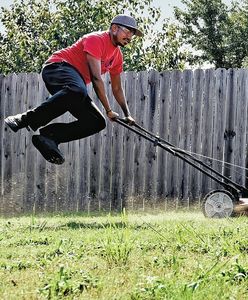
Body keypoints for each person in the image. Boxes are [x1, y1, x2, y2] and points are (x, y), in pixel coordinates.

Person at [4, 14, 142, 165]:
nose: (130, 37)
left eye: (132, 34)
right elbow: (96, 79)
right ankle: (25, 119)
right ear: (114, 28)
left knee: (96, 122)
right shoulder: (96, 39)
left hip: (73, 88)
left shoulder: (117, 57)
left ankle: (49, 137)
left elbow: (117, 88)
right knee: (78, 90)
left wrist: (127, 114)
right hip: (57, 68)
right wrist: (109, 110)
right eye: (128, 31)